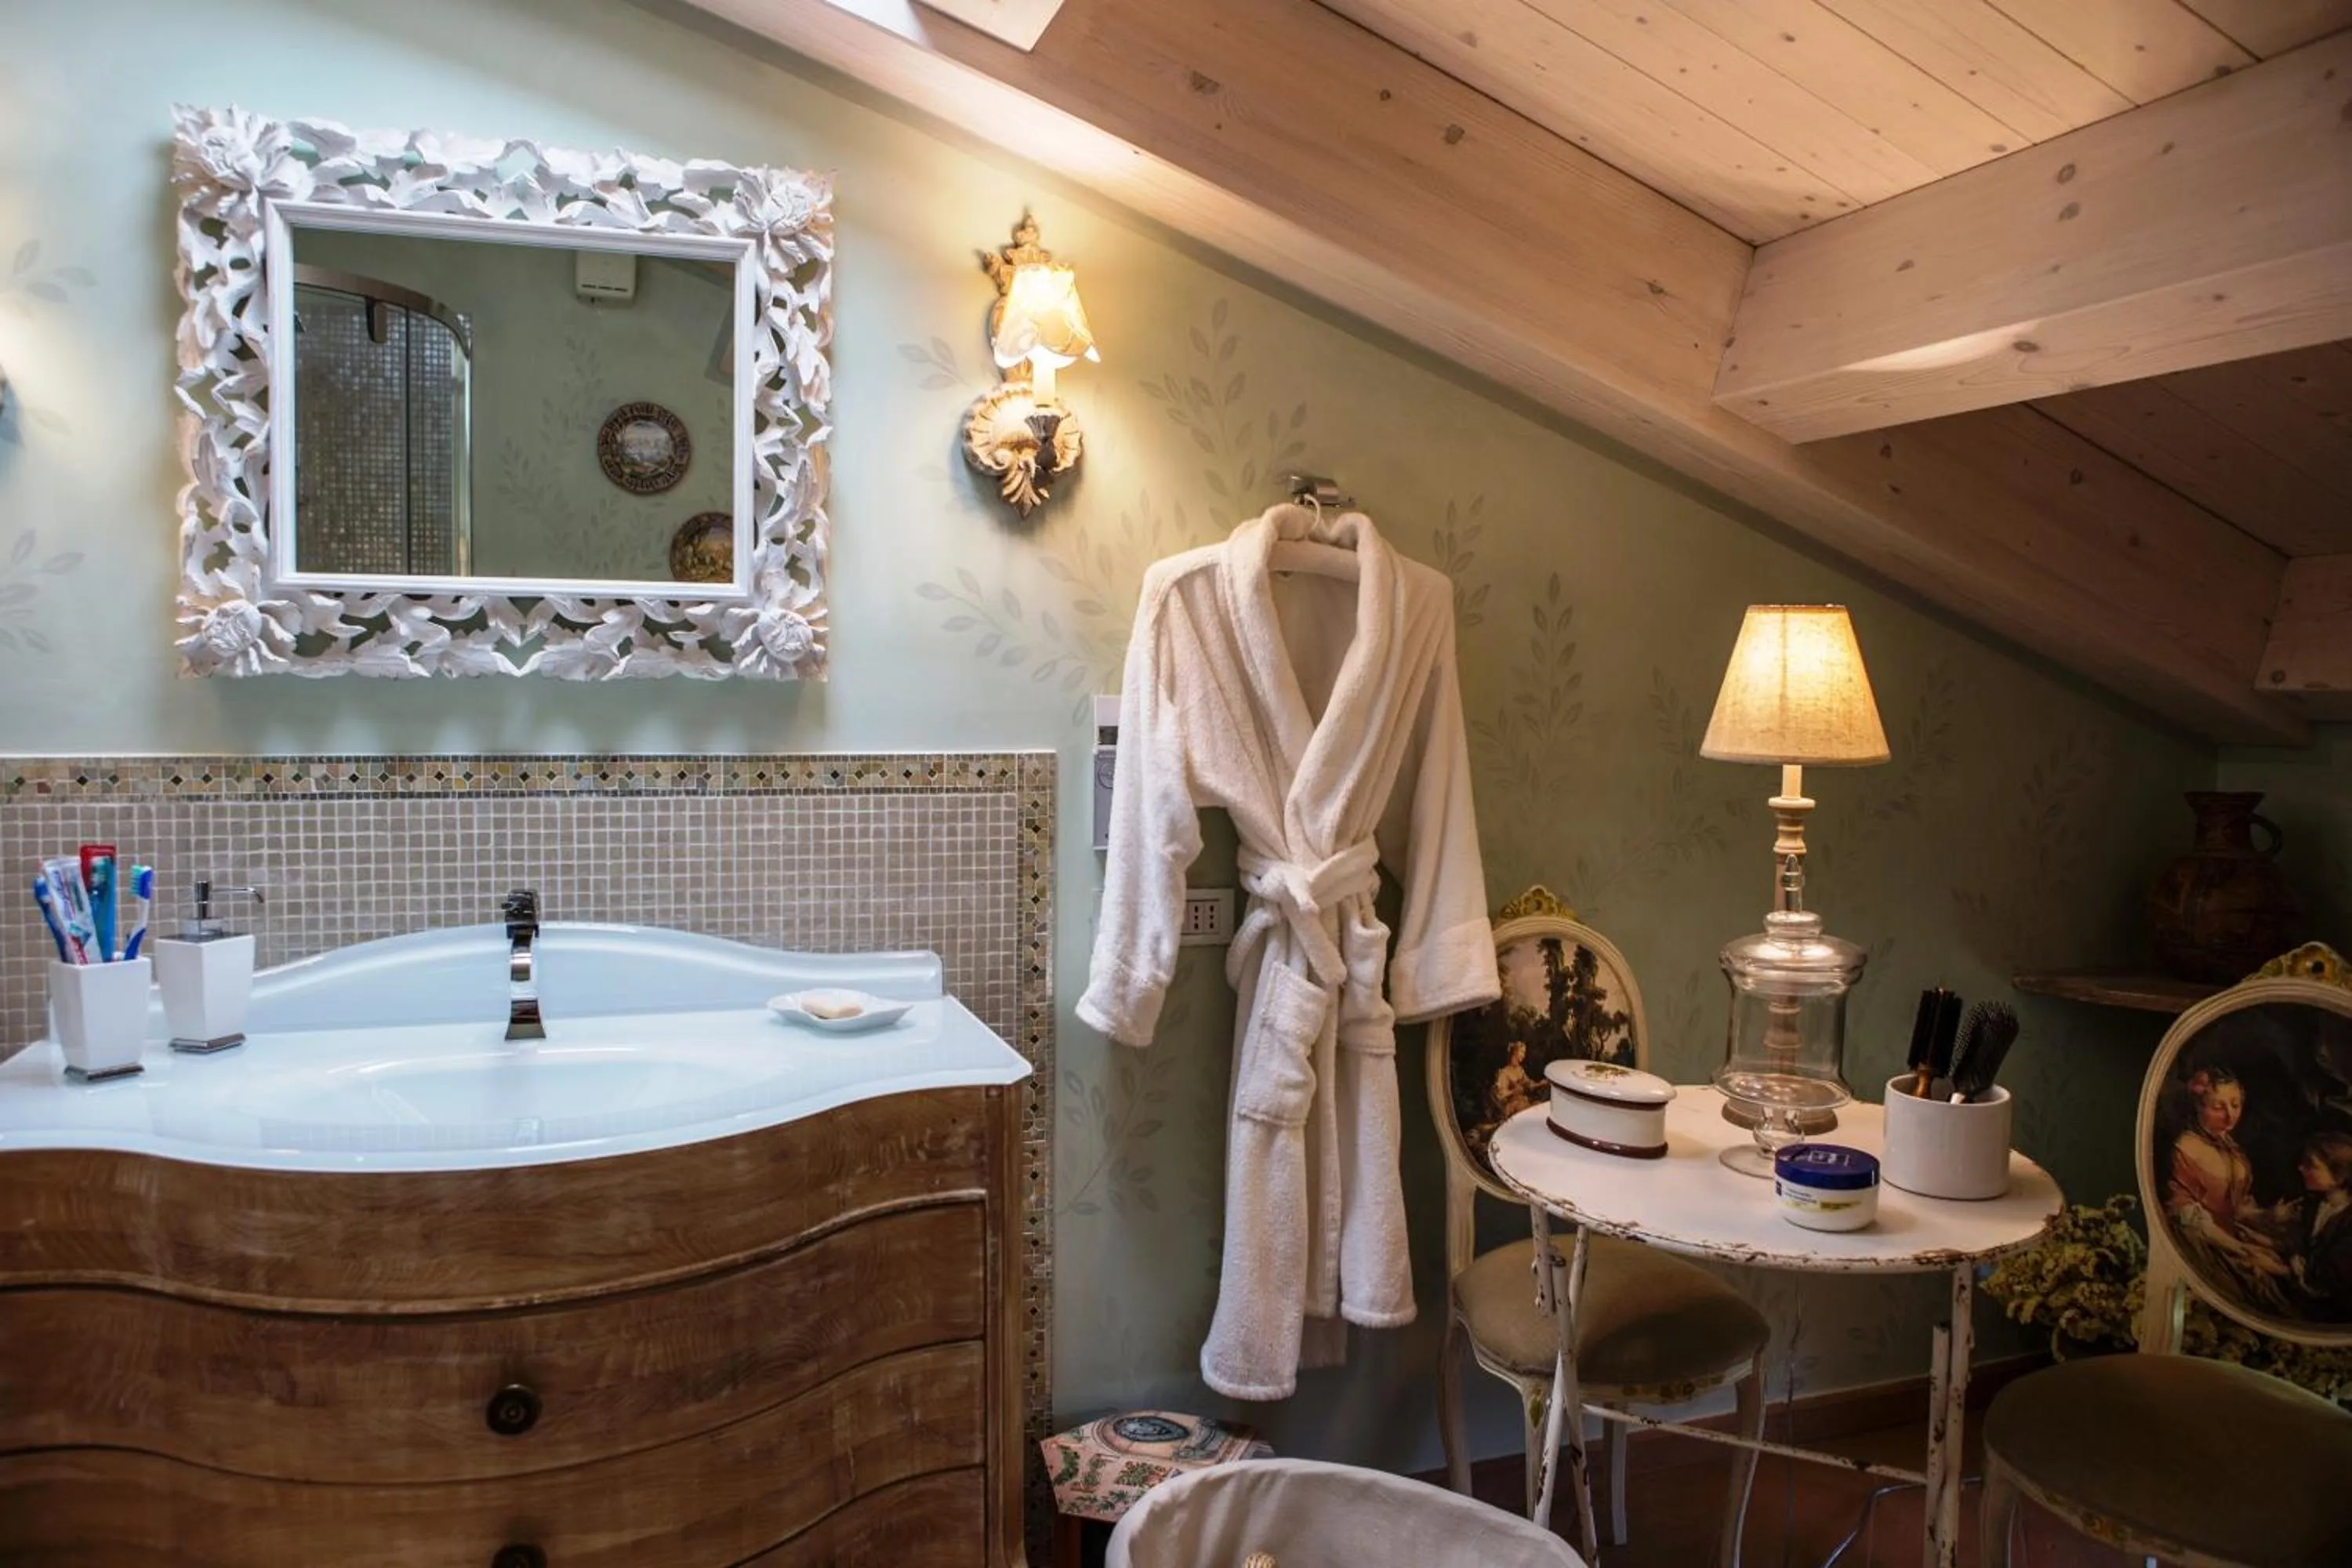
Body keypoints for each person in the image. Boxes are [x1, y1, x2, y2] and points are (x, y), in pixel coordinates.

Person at [2165, 1068, 2290, 1305]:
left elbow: (2236, 1207)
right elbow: (2187, 1214)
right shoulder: (2187, 1147)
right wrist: (2241, 1249)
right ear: (2199, 1107)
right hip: (2204, 1242)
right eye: (2218, 1107)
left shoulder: (2233, 1150)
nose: (2230, 1115)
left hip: (2232, 1235)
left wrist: (2268, 1216)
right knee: (2258, 1284)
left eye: (2235, 1105)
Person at [2284, 1131, 2352, 1322]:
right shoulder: (2314, 1205)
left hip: (2333, 1310)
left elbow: (2331, 1278)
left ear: (2338, 1177)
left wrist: (2281, 1268)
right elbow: (2301, 1244)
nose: (2300, 1168)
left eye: (2311, 1165)